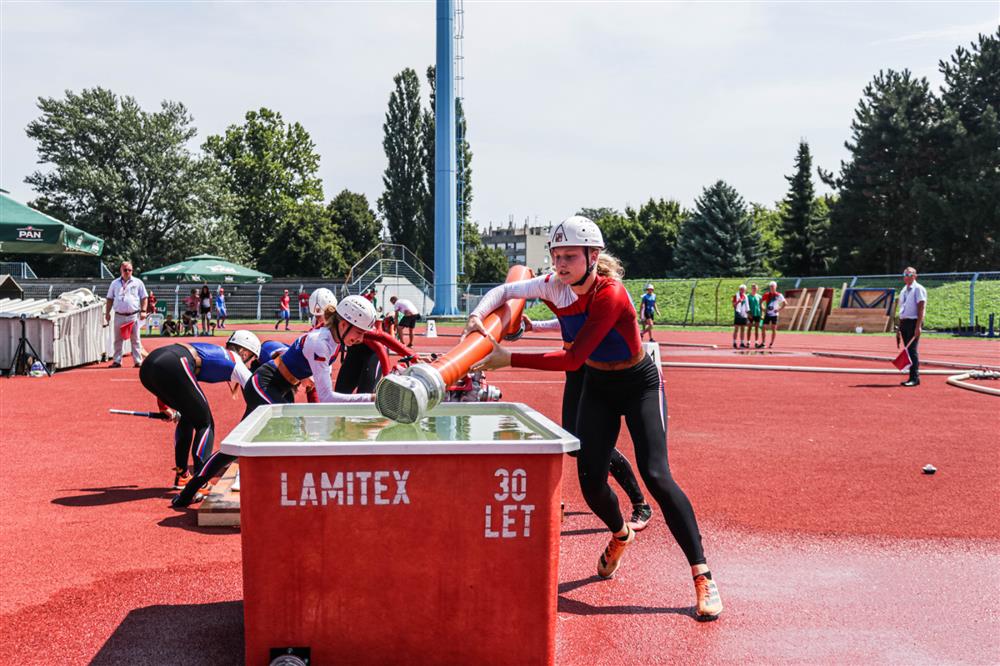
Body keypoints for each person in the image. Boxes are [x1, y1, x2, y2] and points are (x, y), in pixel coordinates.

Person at [464, 216, 722, 618]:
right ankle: (620, 534)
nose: (561, 264)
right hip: (599, 387)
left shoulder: (611, 293)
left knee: (657, 475)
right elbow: (504, 290)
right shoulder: (553, 285)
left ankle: (702, 574)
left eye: (569, 256)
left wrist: (508, 358)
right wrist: (477, 319)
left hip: (639, 383)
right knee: (589, 478)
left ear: (593, 256)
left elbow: (573, 357)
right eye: (555, 255)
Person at [172, 296, 379, 508]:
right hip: (265, 383)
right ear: (343, 324)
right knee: (293, 432)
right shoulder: (322, 342)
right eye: (359, 332)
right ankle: (279, 491)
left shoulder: (334, 340)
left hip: (281, 387)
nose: (361, 339)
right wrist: (373, 399)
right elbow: (328, 398)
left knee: (237, 446)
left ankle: (189, 492)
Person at [520, 314, 654, 531]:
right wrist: (534, 326)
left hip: (592, 365)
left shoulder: (592, 292)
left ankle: (641, 504)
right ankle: (607, 470)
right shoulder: (567, 289)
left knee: (589, 443)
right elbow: (565, 320)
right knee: (573, 442)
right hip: (573, 366)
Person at [139, 330, 261, 491]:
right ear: (245, 353)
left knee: (188, 417)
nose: (250, 365)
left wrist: (165, 407)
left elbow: (166, 368)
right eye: (252, 360)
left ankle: (182, 476)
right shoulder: (237, 361)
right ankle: (200, 480)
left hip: (150, 366)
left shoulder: (218, 353)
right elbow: (257, 396)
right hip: (174, 364)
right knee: (205, 423)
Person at [104, 261, 148, 368]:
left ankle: (138, 361)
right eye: (125, 270)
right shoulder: (115, 283)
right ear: (121, 270)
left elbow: (144, 297)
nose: (127, 272)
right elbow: (109, 298)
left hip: (133, 315)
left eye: (129, 270)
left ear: (132, 271)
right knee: (117, 339)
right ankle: (117, 361)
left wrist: (143, 311)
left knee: (135, 339)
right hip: (119, 315)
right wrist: (107, 312)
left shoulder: (138, 282)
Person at [896, 267, 927, 387]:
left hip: (914, 322)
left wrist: (918, 326)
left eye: (909, 274)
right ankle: (911, 376)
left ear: (915, 276)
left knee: (912, 350)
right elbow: (902, 309)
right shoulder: (904, 289)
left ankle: (915, 378)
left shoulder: (918, 289)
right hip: (905, 322)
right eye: (905, 274)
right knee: (908, 351)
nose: (906, 276)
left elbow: (921, 307)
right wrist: (899, 326)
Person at [760, 281, 786, 348]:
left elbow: (785, 303)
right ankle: (763, 343)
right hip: (768, 314)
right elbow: (760, 302)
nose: (771, 288)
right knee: (763, 328)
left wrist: (778, 309)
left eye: (773, 286)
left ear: (776, 287)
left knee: (773, 329)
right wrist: (763, 309)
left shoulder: (779, 295)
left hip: (774, 314)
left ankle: (772, 343)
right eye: (771, 286)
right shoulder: (766, 294)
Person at [732, 285, 750, 349]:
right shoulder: (735, 296)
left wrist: (748, 315)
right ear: (739, 289)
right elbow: (733, 305)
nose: (742, 290)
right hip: (738, 313)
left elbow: (747, 307)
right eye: (741, 289)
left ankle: (742, 343)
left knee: (743, 329)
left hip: (744, 314)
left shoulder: (746, 296)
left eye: (743, 289)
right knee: (736, 328)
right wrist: (738, 301)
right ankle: (734, 342)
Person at [747, 283, 763, 348]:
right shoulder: (747, 296)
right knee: (749, 328)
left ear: (757, 289)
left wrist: (762, 314)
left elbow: (761, 306)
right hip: (750, 314)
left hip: (757, 314)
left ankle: (756, 342)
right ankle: (748, 342)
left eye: (756, 288)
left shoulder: (759, 296)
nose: (754, 289)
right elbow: (746, 306)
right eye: (753, 288)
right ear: (751, 288)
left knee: (757, 328)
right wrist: (748, 313)